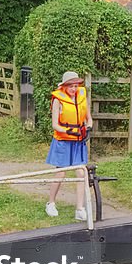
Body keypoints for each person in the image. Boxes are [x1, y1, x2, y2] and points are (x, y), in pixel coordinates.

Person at [45, 71, 92, 221]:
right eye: (71, 86)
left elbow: (89, 119)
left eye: (76, 85)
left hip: (78, 141)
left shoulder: (82, 97)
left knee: (81, 173)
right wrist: (69, 131)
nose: (74, 88)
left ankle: (80, 208)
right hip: (63, 140)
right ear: (64, 86)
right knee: (61, 173)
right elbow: (55, 125)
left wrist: (88, 128)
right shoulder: (58, 100)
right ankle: (51, 203)